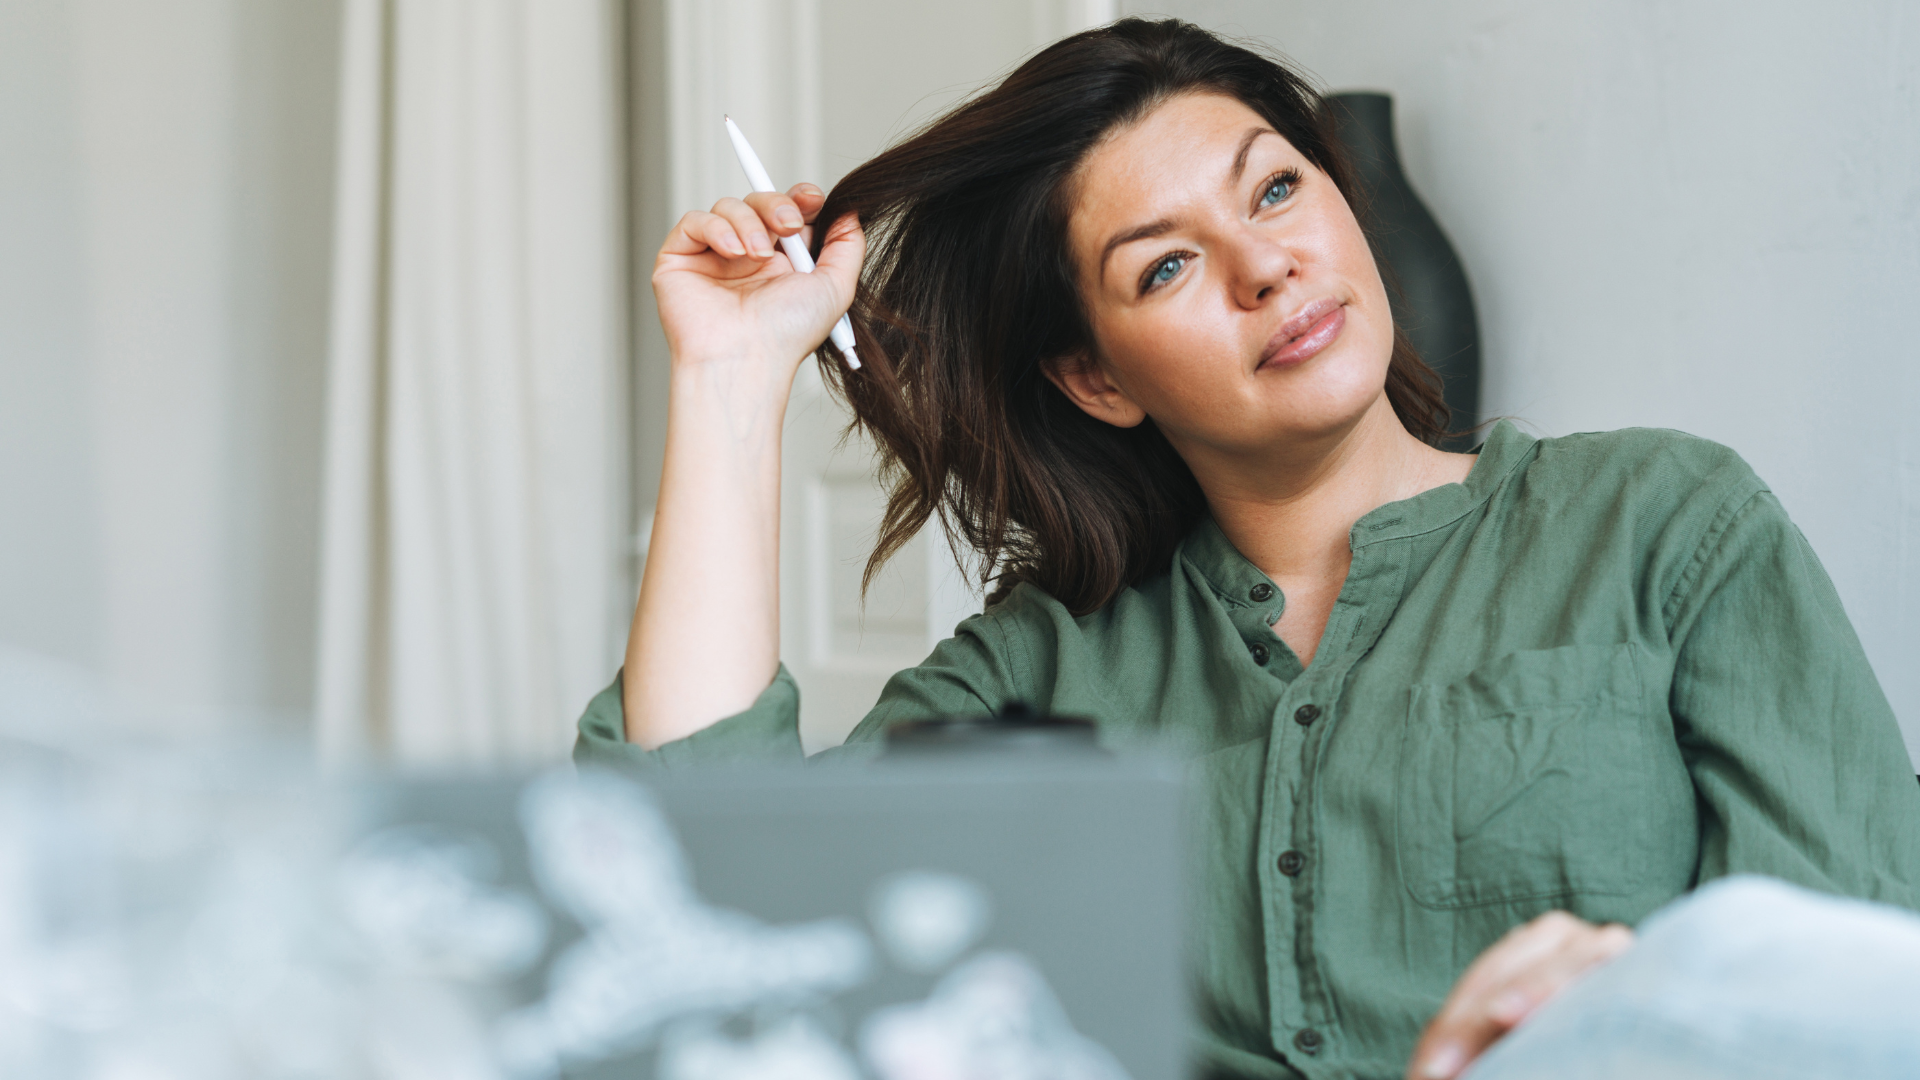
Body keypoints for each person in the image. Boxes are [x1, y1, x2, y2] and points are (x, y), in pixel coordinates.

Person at [574, 17, 1920, 1080]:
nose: (1264, 266)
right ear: (1097, 380)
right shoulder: (1040, 675)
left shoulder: (1665, 527)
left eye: (1276, 188)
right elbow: (709, 913)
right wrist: (733, 380)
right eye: (1164, 267)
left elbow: (1864, 988)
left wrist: (1624, 1013)